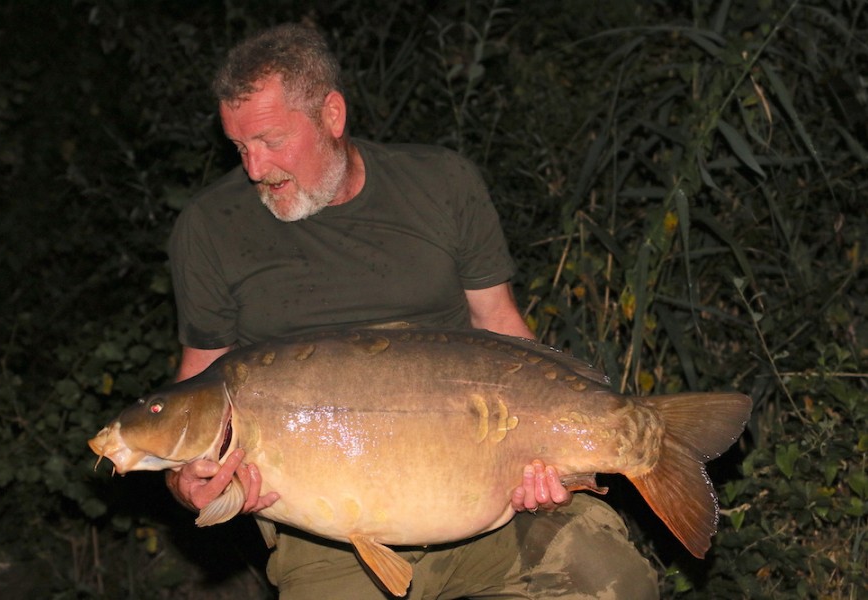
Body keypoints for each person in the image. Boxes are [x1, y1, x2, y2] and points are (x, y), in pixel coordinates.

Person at [165, 22, 657, 599]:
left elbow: (501, 326)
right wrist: (186, 483)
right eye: (240, 146)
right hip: (330, 530)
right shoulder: (211, 228)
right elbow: (192, 401)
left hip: (485, 487)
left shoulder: (440, 184)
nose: (254, 168)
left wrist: (544, 452)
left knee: (614, 584)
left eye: (272, 140)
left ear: (332, 115)